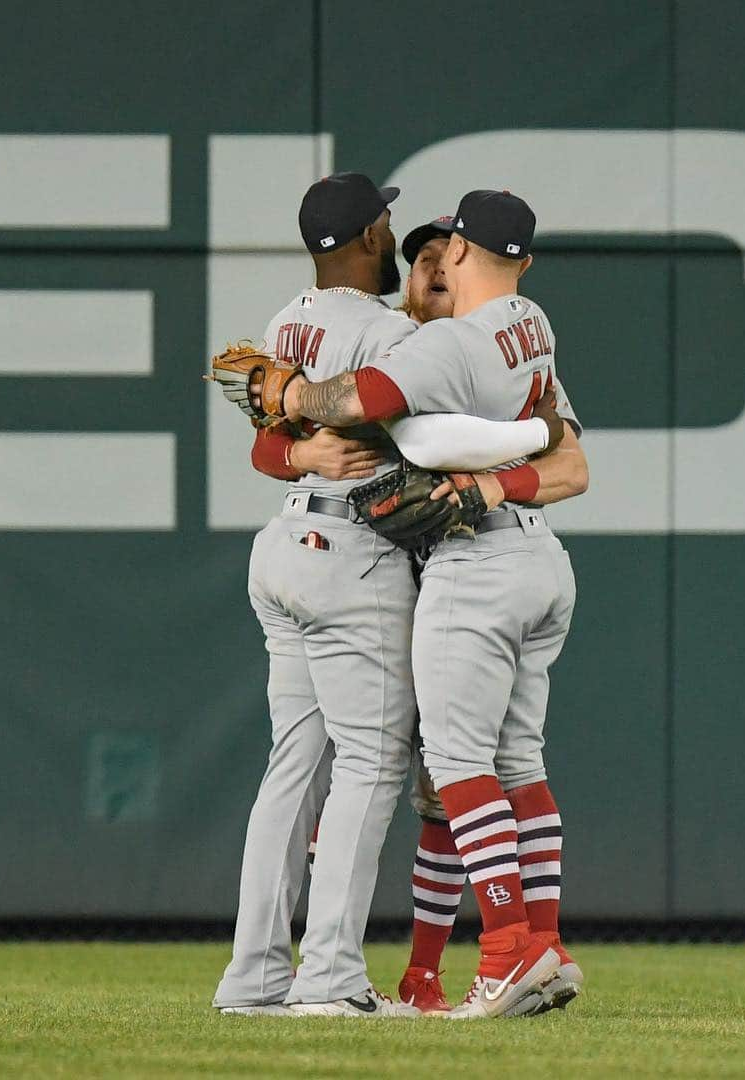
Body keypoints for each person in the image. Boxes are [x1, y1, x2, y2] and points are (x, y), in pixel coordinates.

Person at [211, 178, 561, 1018]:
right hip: (350, 559)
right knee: (369, 766)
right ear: (370, 236)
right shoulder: (394, 333)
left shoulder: (284, 323)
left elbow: (266, 451)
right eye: (391, 225)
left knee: (290, 771)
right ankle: (328, 977)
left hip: (283, 546)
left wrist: (301, 450)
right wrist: (540, 431)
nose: (400, 236)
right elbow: (417, 414)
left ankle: (254, 976)